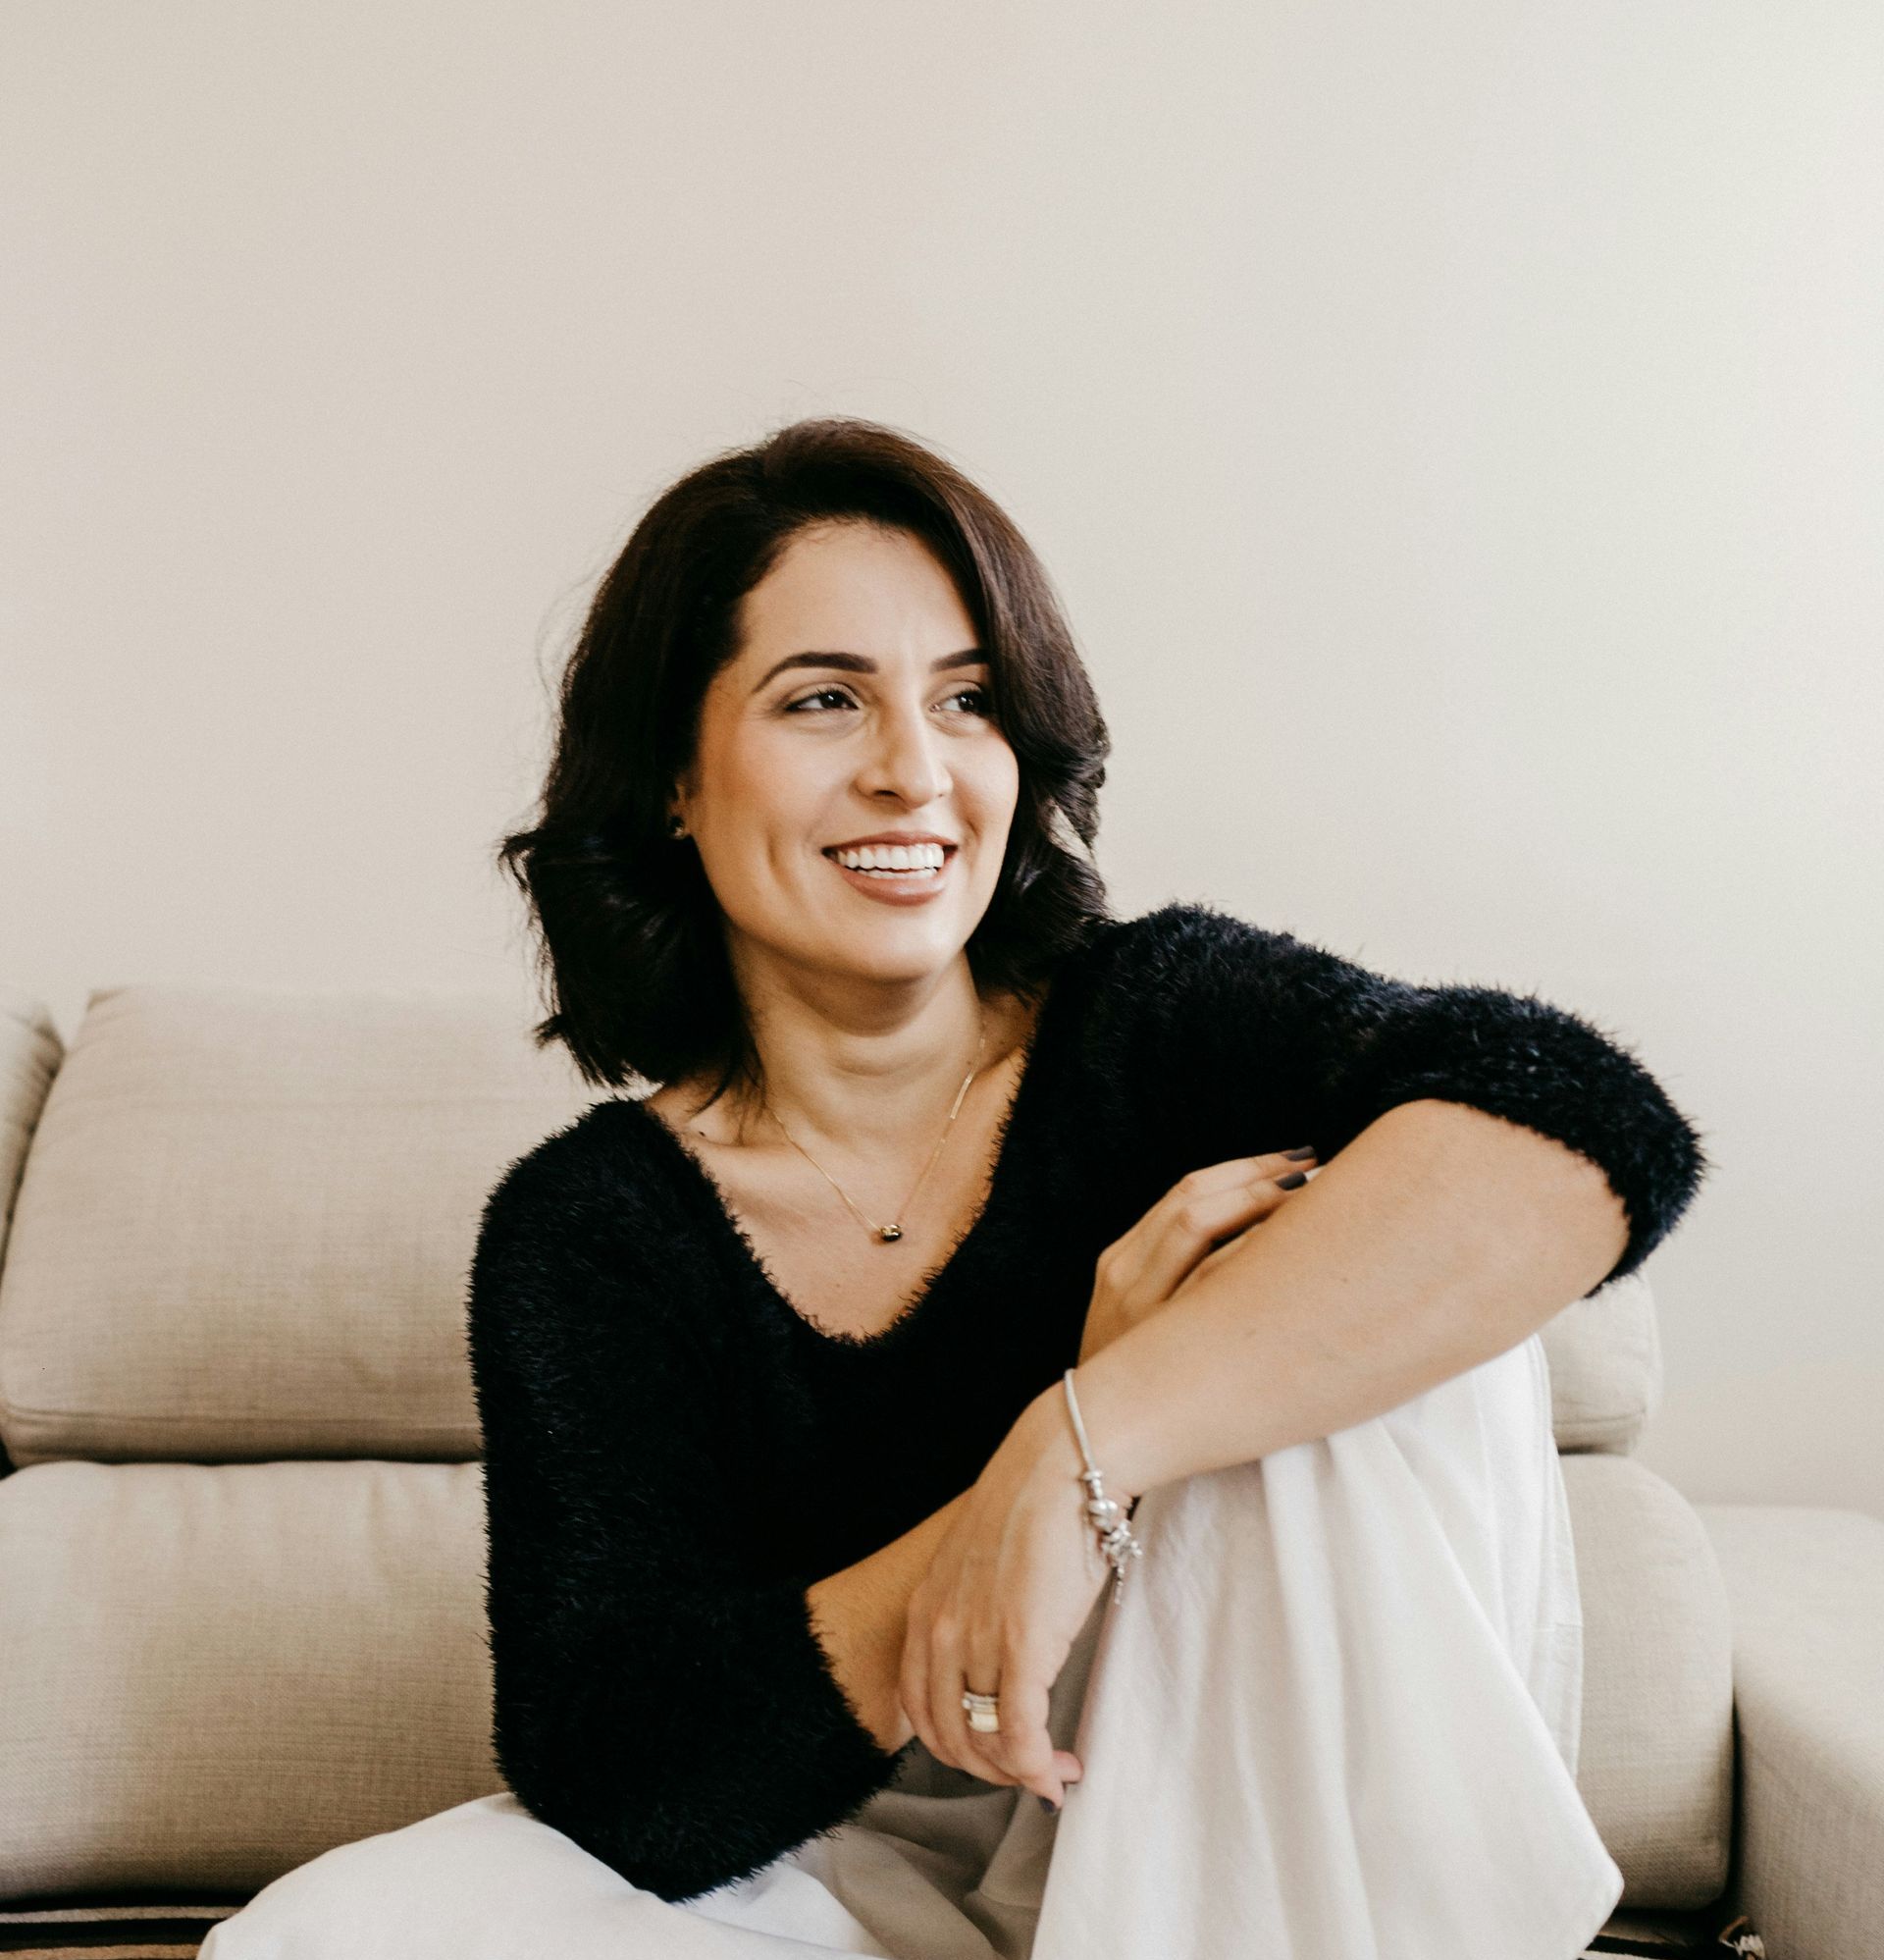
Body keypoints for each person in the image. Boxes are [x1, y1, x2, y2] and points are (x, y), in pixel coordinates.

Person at [200, 416, 1708, 1959]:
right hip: (866, 1869)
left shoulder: (1163, 1020)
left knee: (1341, 1296)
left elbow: (1594, 1131)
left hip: (1252, 1810)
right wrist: (1015, 1494)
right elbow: (628, 1771)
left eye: (968, 700)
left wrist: (1099, 1439)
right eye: (825, 698)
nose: (912, 772)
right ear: (673, 774)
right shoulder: (593, 1226)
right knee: (323, 1940)